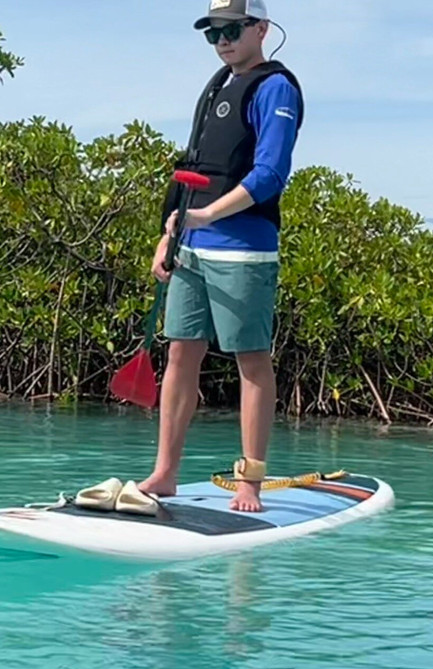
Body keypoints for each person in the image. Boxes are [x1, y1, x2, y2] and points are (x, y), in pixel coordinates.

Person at [138, 0, 304, 513]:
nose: (223, 41)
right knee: (180, 352)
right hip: (192, 246)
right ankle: (165, 473)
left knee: (249, 359)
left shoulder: (275, 88)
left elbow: (270, 173)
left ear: (261, 29)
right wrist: (169, 233)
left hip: (243, 251)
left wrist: (210, 216)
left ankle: (251, 481)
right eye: (213, 33)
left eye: (232, 29)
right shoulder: (216, 86)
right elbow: (193, 165)